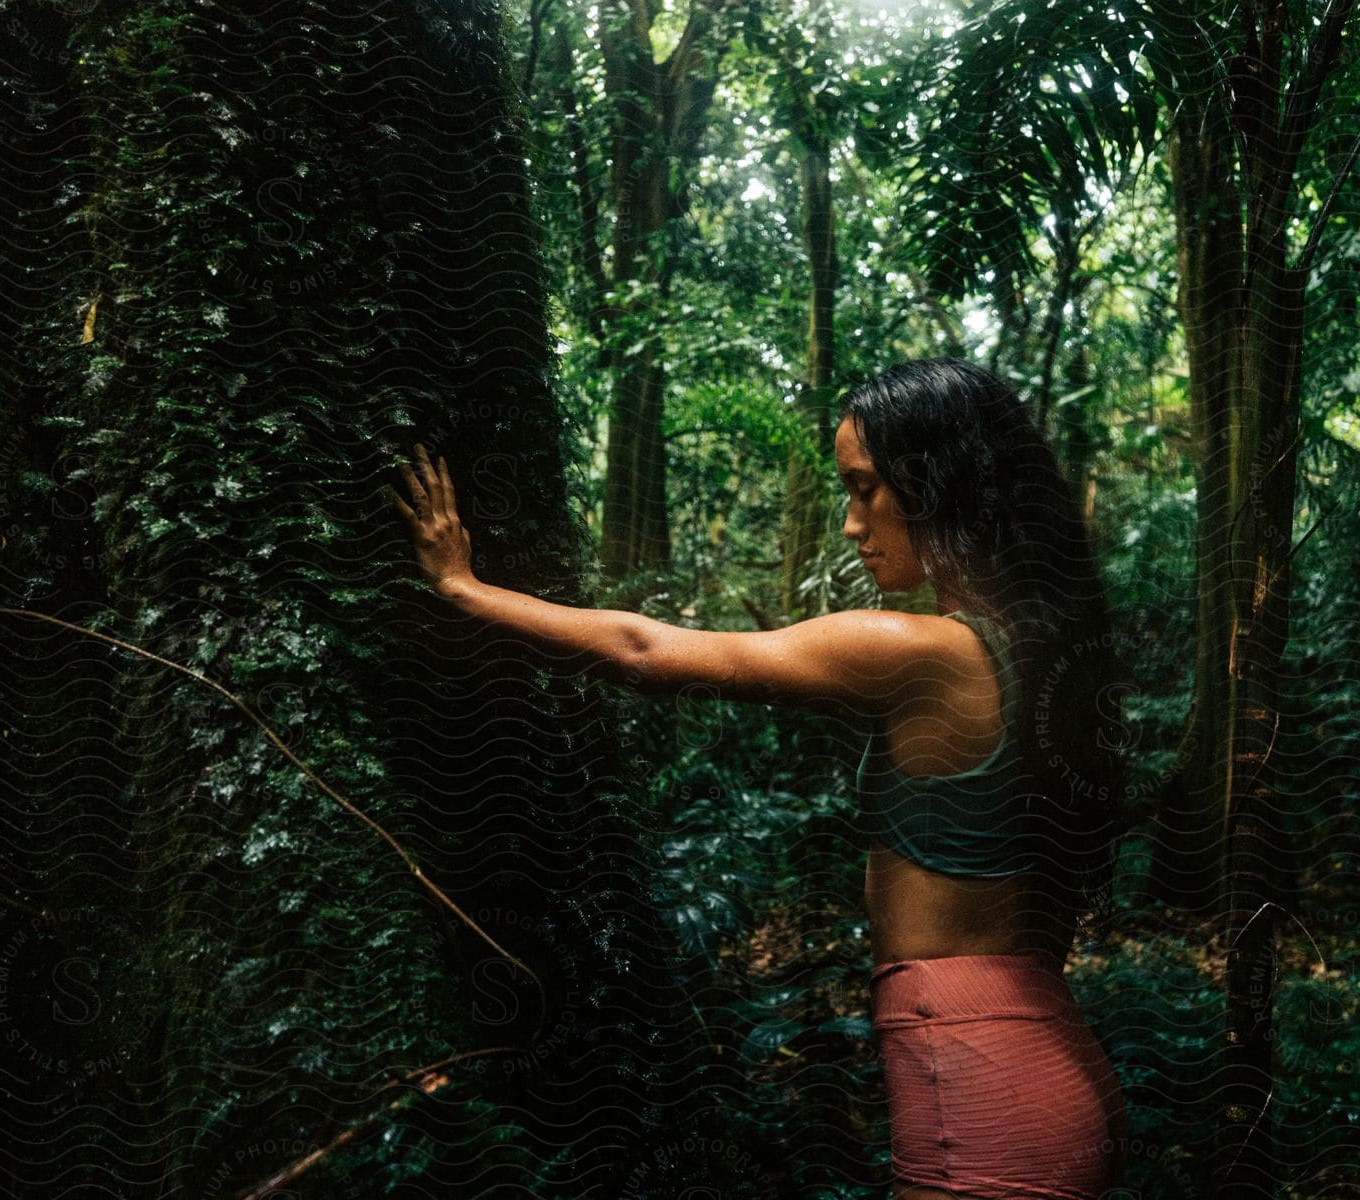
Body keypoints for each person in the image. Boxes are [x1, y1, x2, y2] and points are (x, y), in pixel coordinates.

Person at [390, 357, 1131, 1199]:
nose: (852, 525)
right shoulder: (1042, 663)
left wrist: (466, 590)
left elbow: (651, 651)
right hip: (1052, 1071)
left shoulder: (926, 654)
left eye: (865, 489)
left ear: (939, 486)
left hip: (983, 1098)